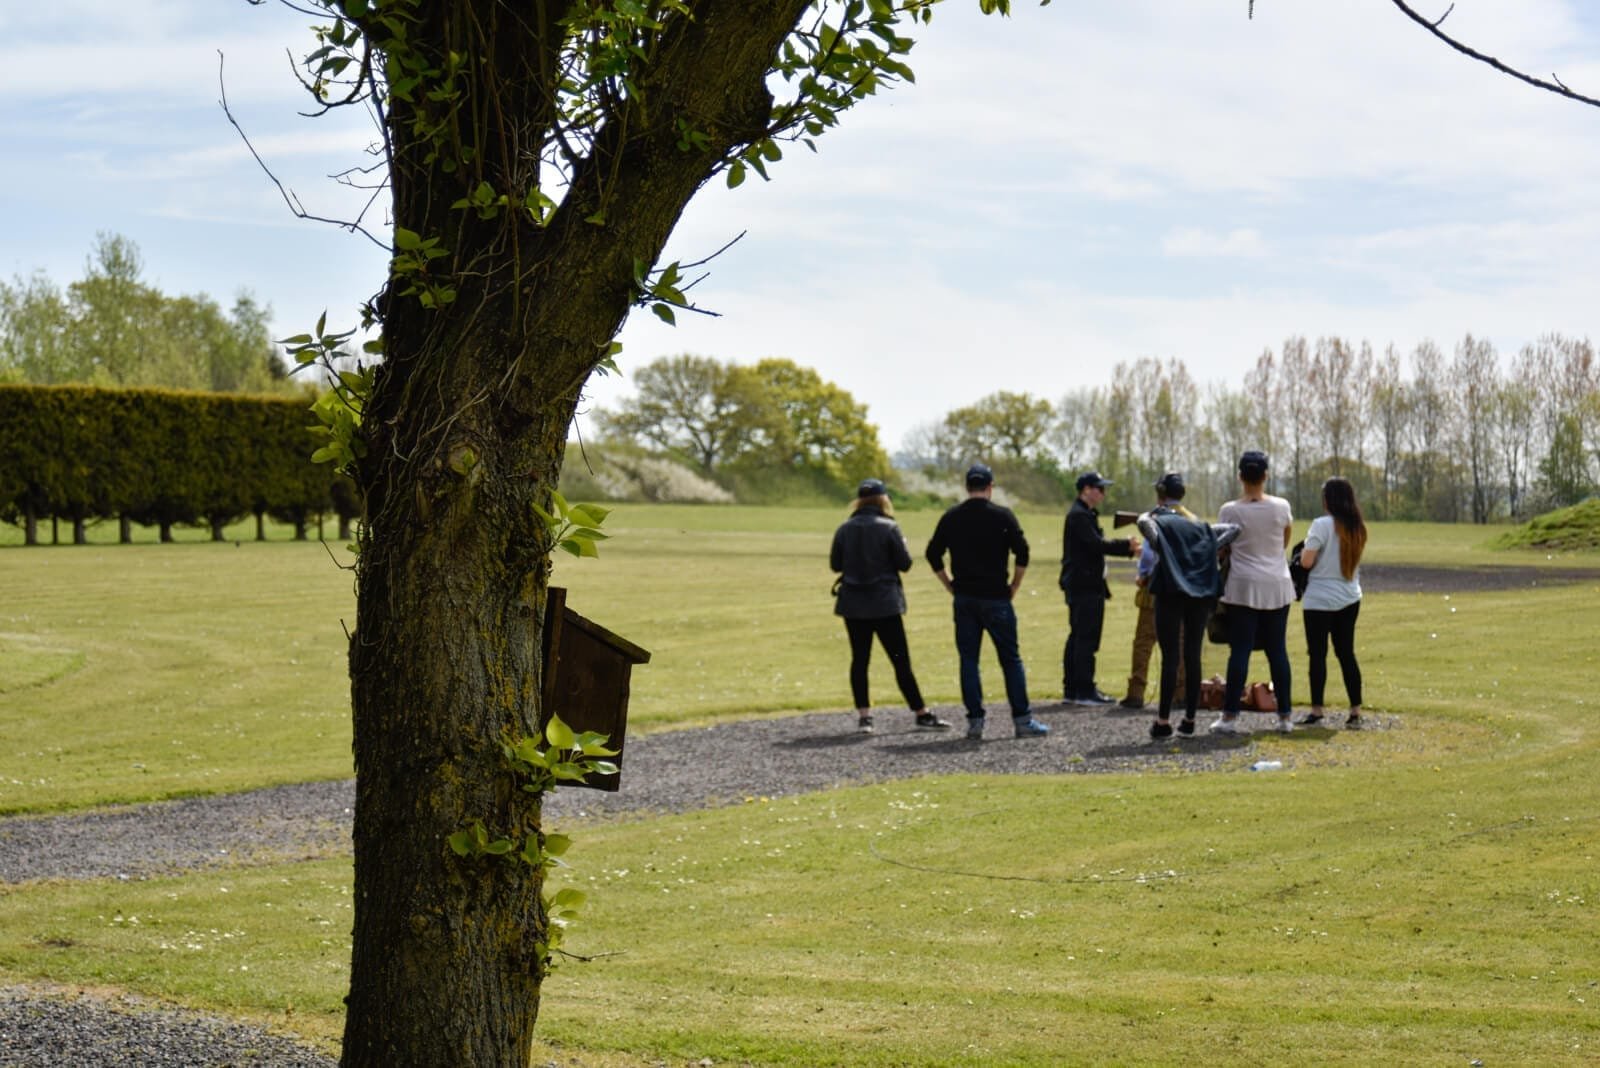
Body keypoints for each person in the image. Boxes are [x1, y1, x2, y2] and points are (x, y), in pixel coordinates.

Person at [925, 463, 1050, 741]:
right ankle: (1022, 720)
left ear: (968, 487)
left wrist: (950, 585)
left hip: (965, 597)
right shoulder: (1003, 516)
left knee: (969, 660)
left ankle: (975, 722)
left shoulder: (952, 517)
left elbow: (933, 554)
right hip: (996, 597)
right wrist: (1015, 585)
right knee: (1010, 659)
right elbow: (1023, 552)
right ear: (990, 487)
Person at [831, 479, 951, 735]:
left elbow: (835, 564)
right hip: (885, 603)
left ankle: (865, 717)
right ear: (883, 499)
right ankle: (920, 712)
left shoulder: (845, 528)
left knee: (860, 660)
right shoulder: (889, 527)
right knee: (900, 660)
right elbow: (905, 563)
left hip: (853, 602)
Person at [1137, 503, 1239, 739]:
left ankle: (1163, 721)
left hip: (1170, 591)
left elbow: (1145, 525)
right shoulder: (1201, 528)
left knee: (1170, 656)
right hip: (1201, 593)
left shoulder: (1158, 523)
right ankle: (1189, 720)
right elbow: (1234, 529)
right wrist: (1211, 548)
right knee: (1193, 655)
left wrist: (1149, 516)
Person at [1213, 450, 1295, 734]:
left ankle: (1230, 717)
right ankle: (1284, 716)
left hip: (1243, 585)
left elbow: (1223, 546)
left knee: (1240, 651)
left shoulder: (1230, 510)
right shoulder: (1281, 506)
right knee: (1278, 651)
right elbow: (1284, 540)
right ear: (1266, 475)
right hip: (1277, 583)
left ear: (1240, 476)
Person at [1059, 471, 1139, 705]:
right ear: (1086, 490)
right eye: (1099, 488)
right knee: (1086, 638)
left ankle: (1073, 689)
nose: (1103, 493)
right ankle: (1084, 690)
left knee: (1078, 637)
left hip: (1082, 583)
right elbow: (1096, 545)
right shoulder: (1079, 516)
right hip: (1085, 584)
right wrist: (1127, 546)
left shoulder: (1083, 514)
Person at [1120, 473, 1195, 710]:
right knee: (1180, 643)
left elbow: (1150, 556)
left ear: (1160, 492)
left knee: (1144, 643)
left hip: (1155, 588)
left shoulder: (1153, 518)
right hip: (1183, 589)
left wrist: (1142, 575)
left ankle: (1136, 694)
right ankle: (1181, 694)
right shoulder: (1192, 519)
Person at [1297, 476, 1367, 730]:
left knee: (1318, 655)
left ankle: (1317, 710)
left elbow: (1306, 561)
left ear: (1328, 500)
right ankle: (1355, 710)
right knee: (1346, 653)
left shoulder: (1321, 525)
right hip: (1350, 596)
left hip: (1319, 599)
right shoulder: (1358, 527)